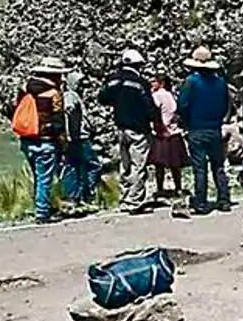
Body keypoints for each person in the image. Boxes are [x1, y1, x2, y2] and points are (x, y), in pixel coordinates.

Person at [98, 49, 159, 215]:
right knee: (138, 165)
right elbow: (149, 107)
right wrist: (156, 120)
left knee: (124, 165)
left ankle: (125, 198)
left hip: (120, 127)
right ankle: (135, 201)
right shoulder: (140, 83)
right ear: (138, 65)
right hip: (139, 129)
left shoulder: (113, 80)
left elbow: (102, 98)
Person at [177, 46, 232, 215]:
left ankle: (200, 202)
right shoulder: (221, 83)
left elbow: (182, 105)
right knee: (218, 165)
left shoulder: (191, 82)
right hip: (214, 128)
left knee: (200, 167)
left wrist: (186, 122)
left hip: (196, 129)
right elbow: (226, 105)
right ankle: (224, 199)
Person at [15, 57, 70, 224]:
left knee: (38, 177)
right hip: (46, 140)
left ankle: (41, 206)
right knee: (44, 178)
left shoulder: (25, 89)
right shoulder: (53, 93)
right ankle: (42, 212)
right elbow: (58, 120)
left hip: (27, 139)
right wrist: (63, 142)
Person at [61, 70, 103, 213]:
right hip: (79, 138)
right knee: (93, 165)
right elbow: (68, 109)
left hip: (75, 137)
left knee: (74, 167)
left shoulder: (73, 95)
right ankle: (87, 195)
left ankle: (74, 197)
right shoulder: (70, 96)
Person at [148, 74, 188, 198]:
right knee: (175, 164)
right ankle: (178, 187)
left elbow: (154, 113)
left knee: (159, 164)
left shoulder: (156, 96)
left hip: (162, 132)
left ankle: (160, 188)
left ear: (161, 83)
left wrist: (159, 127)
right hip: (174, 132)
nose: (152, 84)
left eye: (154, 82)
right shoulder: (171, 95)